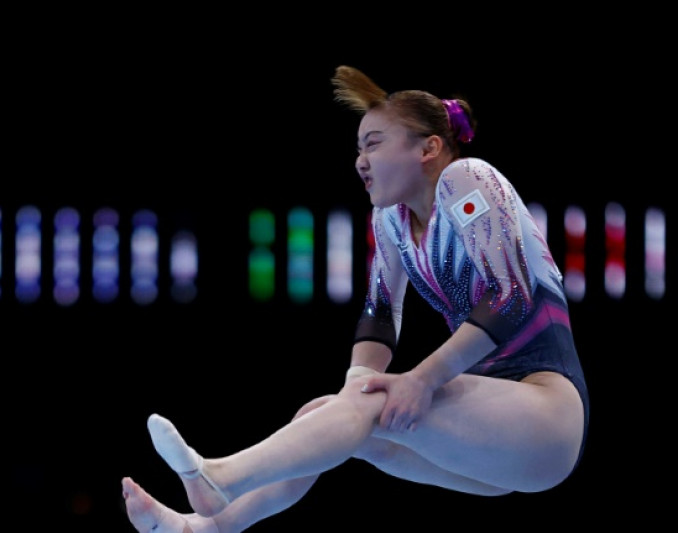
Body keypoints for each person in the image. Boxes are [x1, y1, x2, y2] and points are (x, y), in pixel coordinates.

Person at [121, 65, 590, 533]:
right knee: (327, 416)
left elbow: (510, 297)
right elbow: (381, 311)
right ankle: (203, 529)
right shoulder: (391, 219)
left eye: (374, 143)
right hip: (492, 434)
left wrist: (421, 381)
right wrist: (356, 387)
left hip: (546, 415)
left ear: (429, 148)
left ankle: (219, 476)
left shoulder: (466, 180)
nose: (360, 160)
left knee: (365, 406)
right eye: (357, 147)